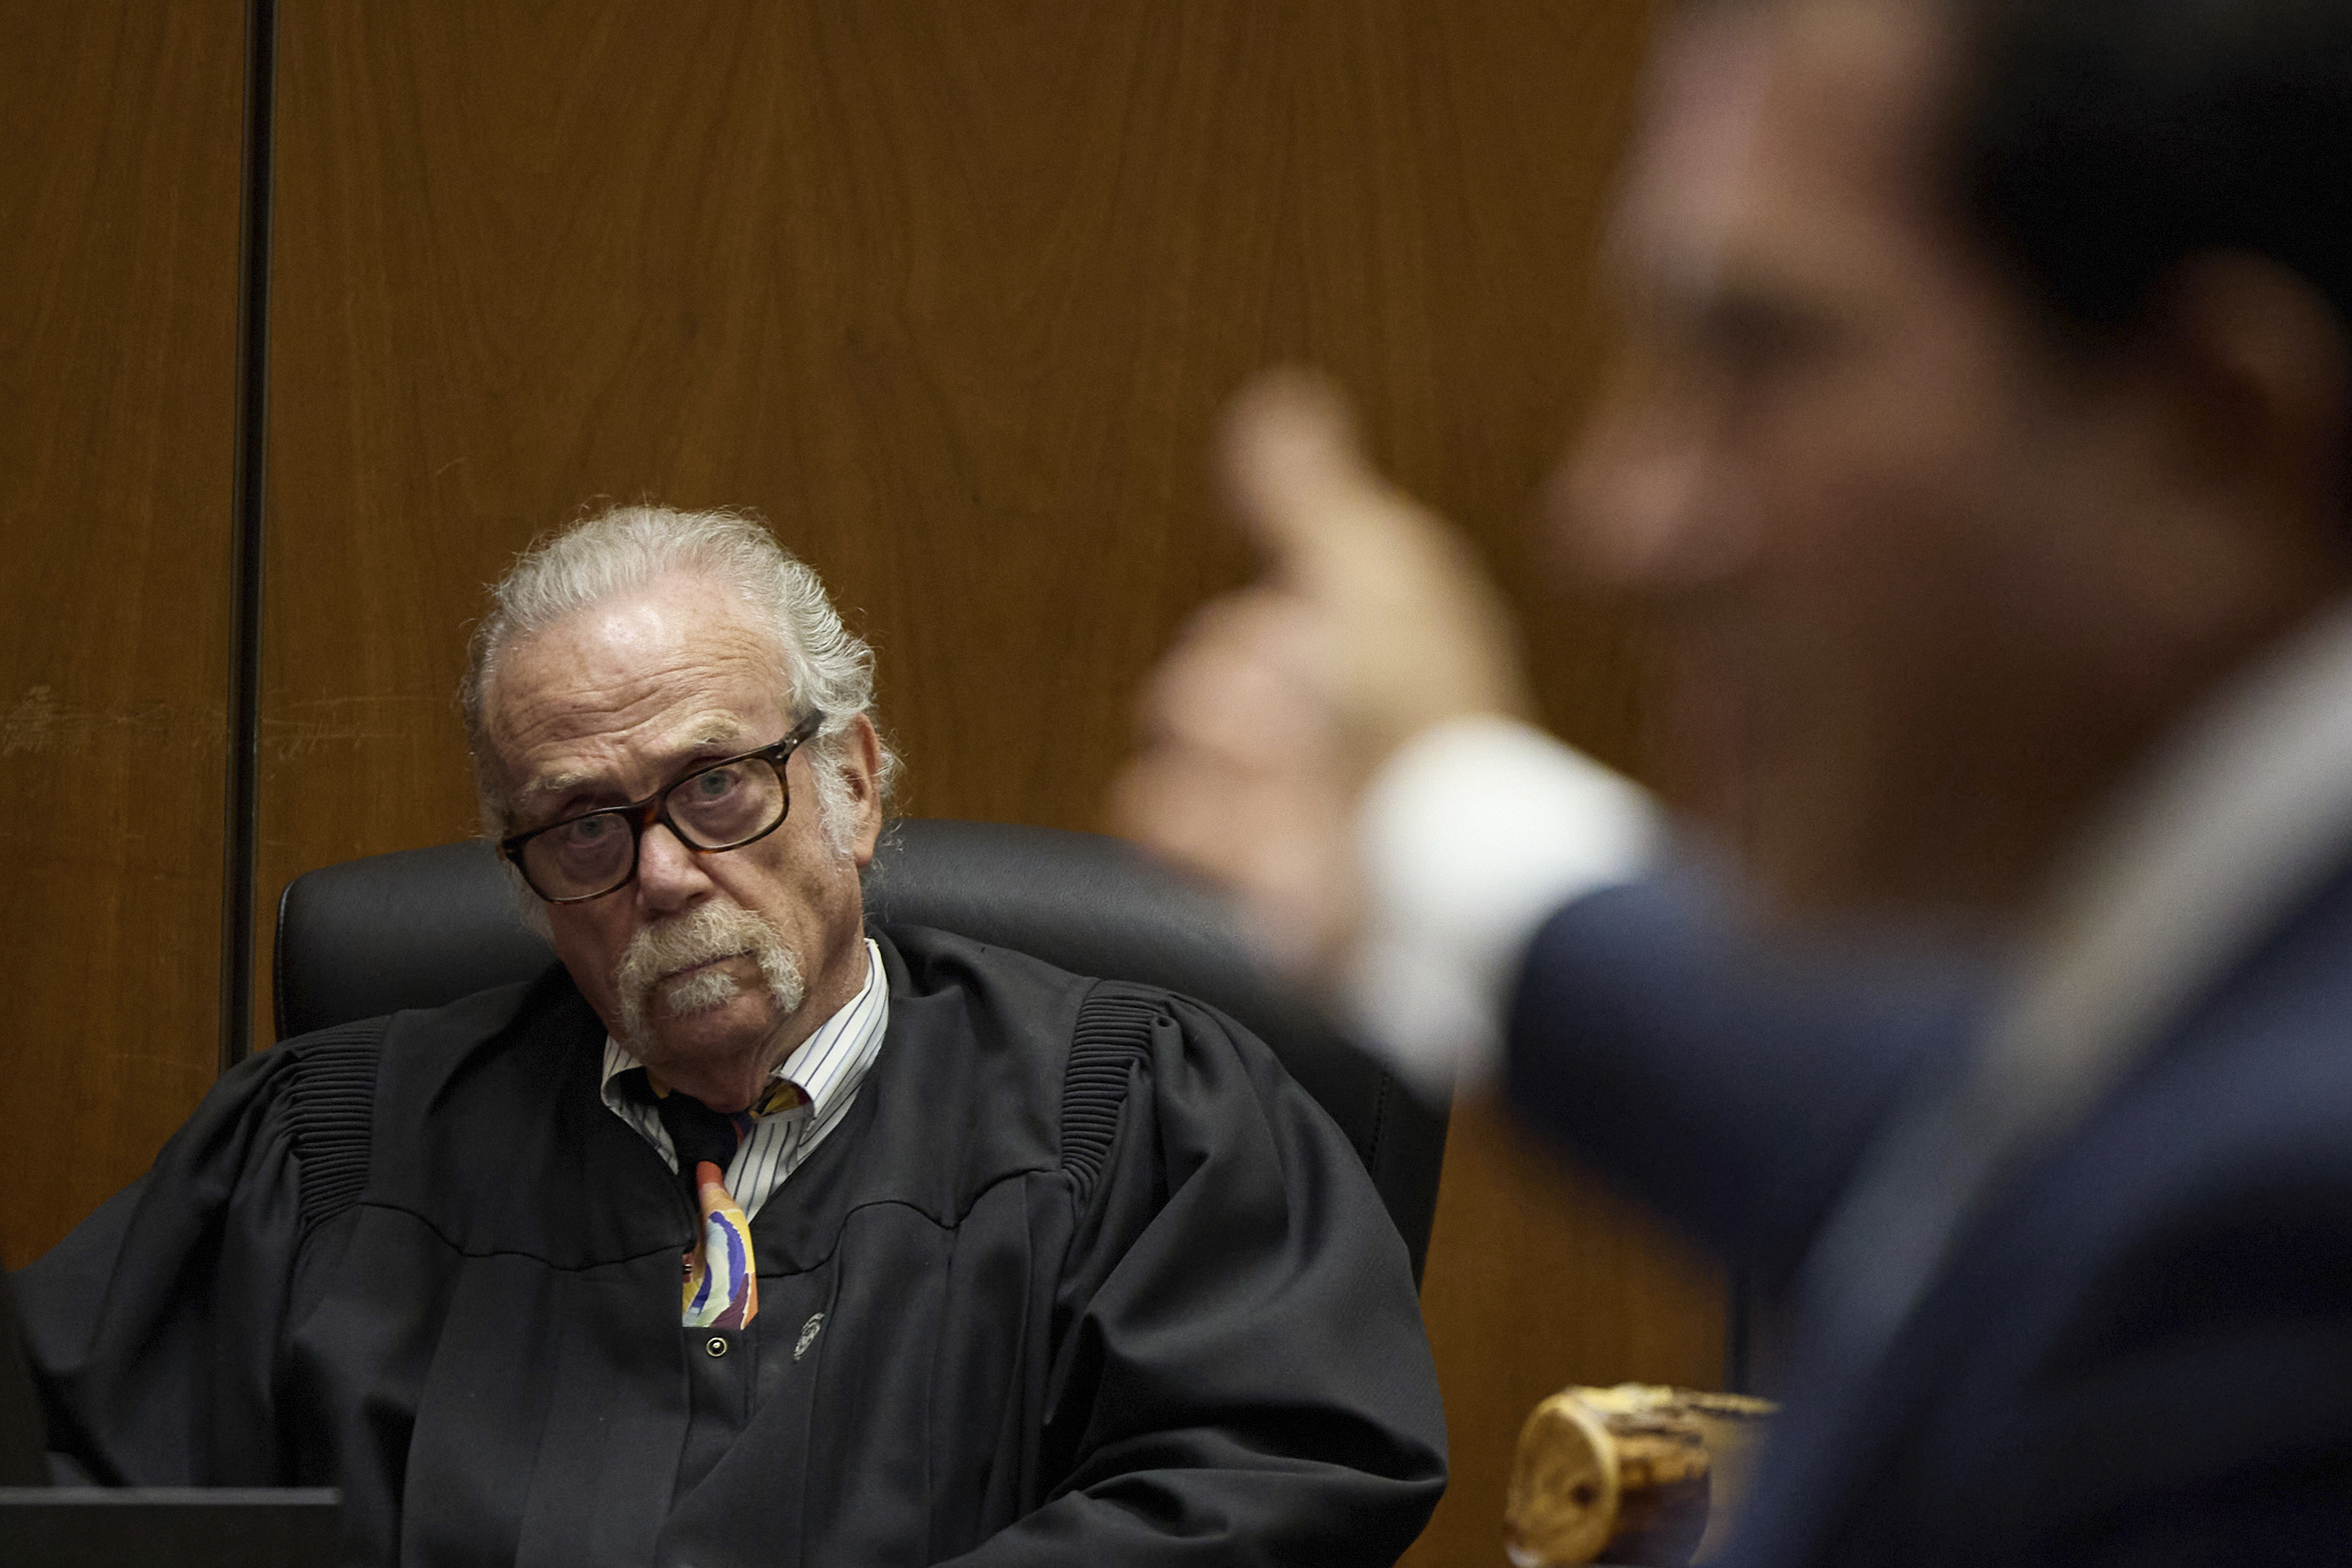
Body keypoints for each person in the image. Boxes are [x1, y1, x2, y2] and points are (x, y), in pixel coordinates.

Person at [1119, 0, 2352, 1562]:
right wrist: (1435, 819)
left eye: (1751, 354)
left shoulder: (2282, 1267)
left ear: (2207, 445)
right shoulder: (2234, 1062)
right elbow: (1956, 1136)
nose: (1613, 516)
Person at [14, 506, 1446, 1565]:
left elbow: (1280, 1475)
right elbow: (76, 1487)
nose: (660, 871)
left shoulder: (1133, 1114)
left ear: (855, 783)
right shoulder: (327, 1158)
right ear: (522, 878)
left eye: (714, 784)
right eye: (581, 823)